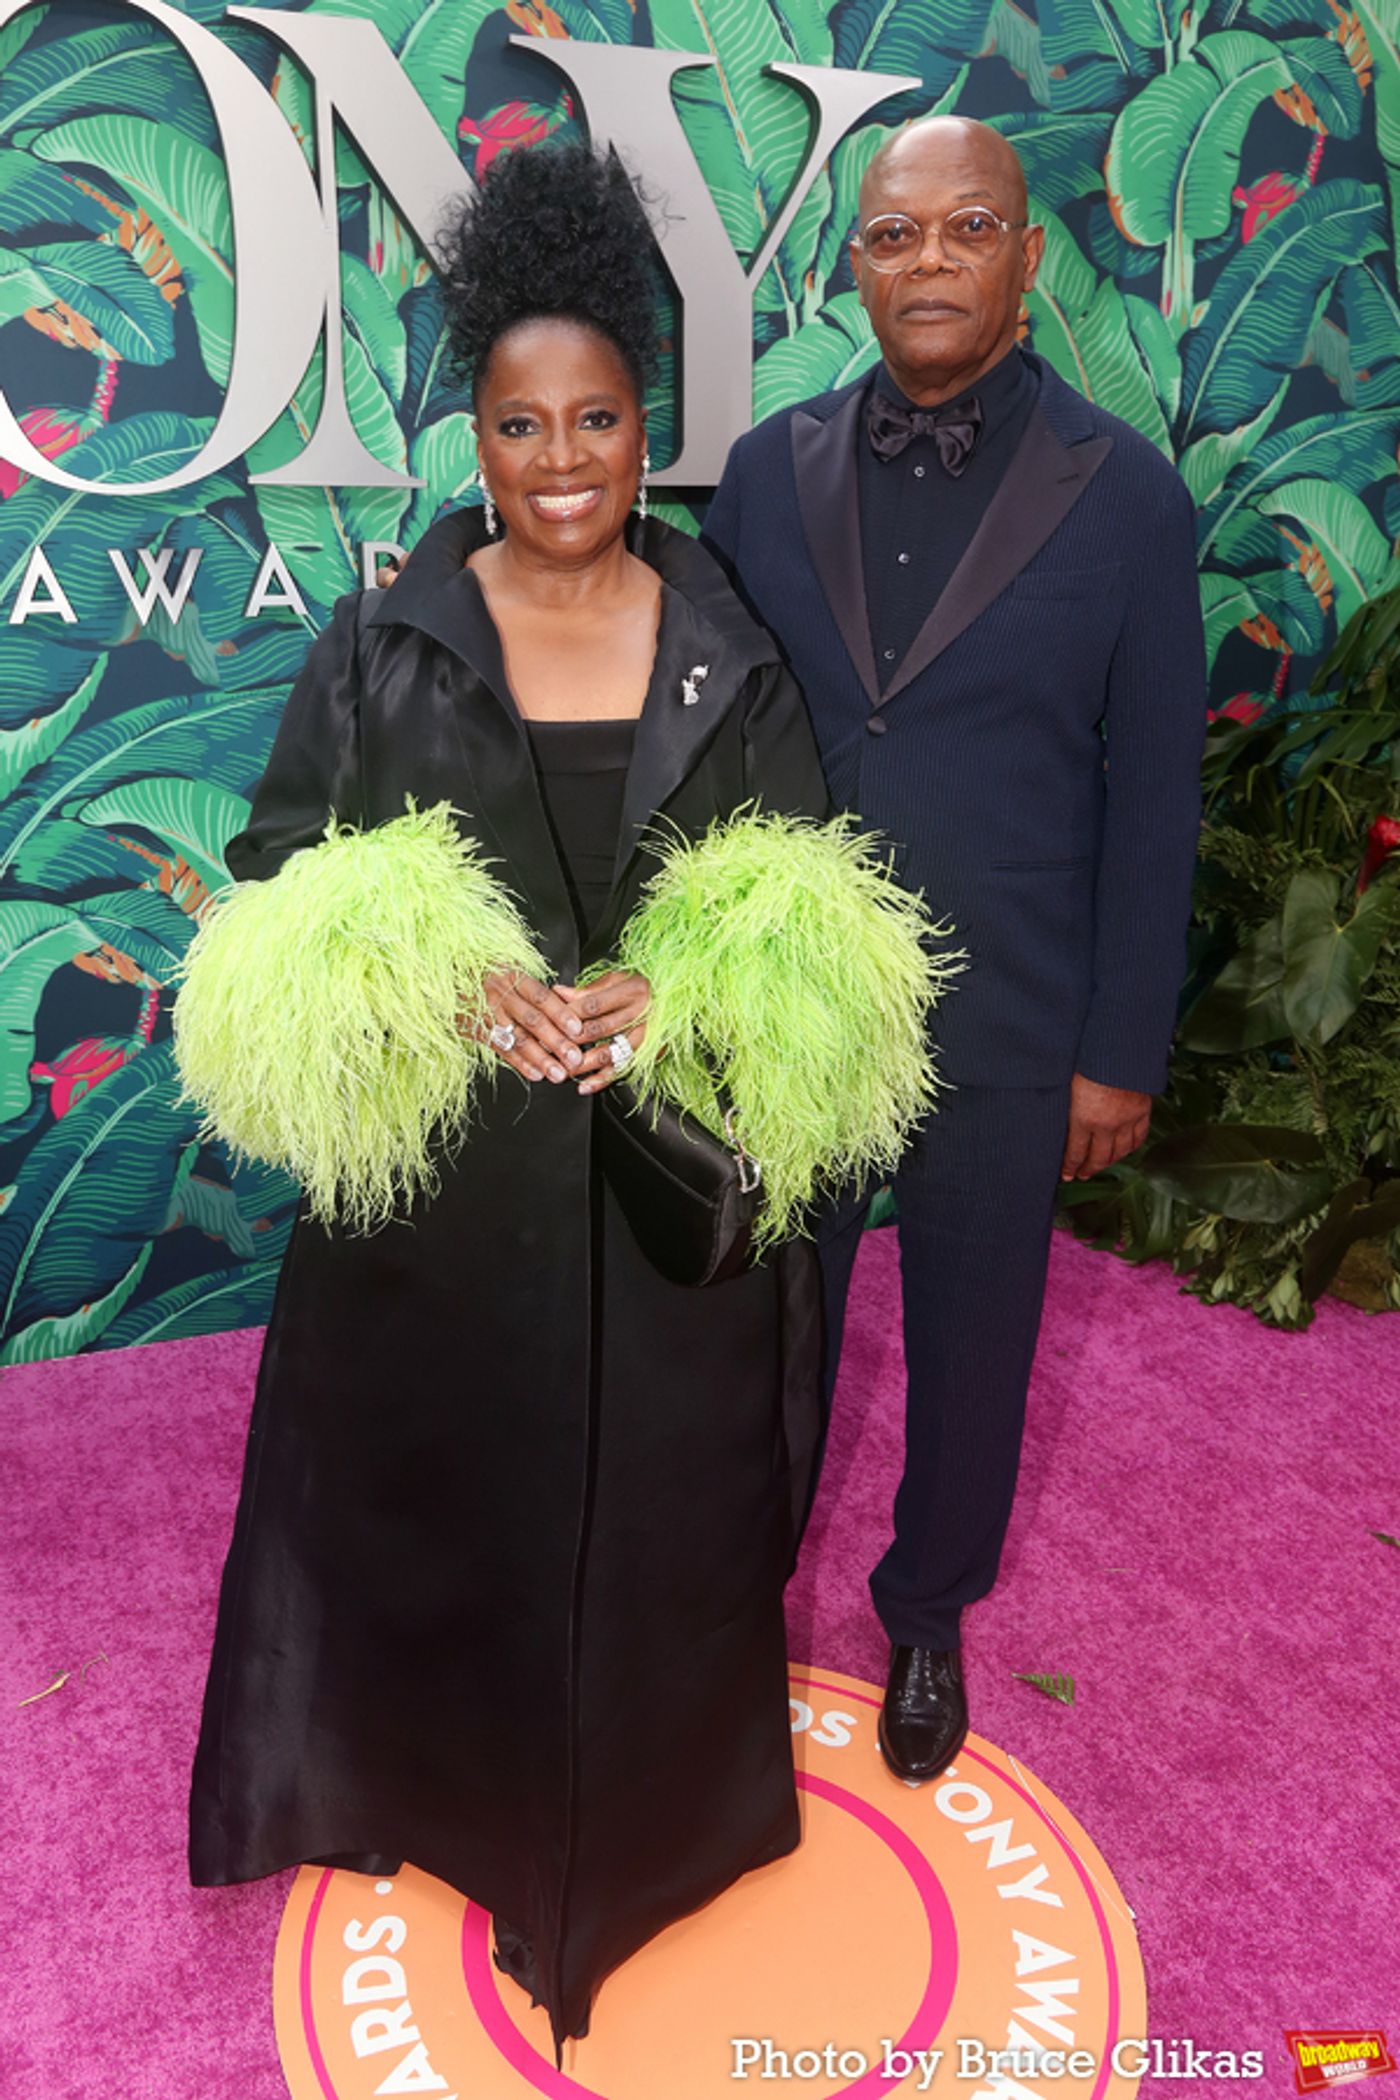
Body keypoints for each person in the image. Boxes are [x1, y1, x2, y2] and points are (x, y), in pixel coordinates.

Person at [178, 140, 945, 2066]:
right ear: (477, 437)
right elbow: (272, 886)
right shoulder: (382, 644)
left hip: (668, 1219)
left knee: (659, 1550)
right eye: (521, 425)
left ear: (642, 426)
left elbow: (812, 910)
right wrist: (442, 982)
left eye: (596, 417)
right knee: (444, 1519)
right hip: (447, 1219)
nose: (563, 458)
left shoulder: (729, 647)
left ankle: (646, 1841)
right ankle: (433, 1799)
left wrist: (681, 988)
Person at [702, 115, 1208, 1784]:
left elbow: (1157, 794)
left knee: (976, 1342)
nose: (929, 259)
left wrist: (1118, 1049)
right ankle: (727, 1606)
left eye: (967, 228)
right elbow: (711, 743)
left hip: (1011, 1016)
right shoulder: (764, 472)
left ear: (1028, 256)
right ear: (854, 263)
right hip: (799, 1011)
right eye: (894, 233)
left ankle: (927, 1613)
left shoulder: (1129, 498)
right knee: (769, 1335)